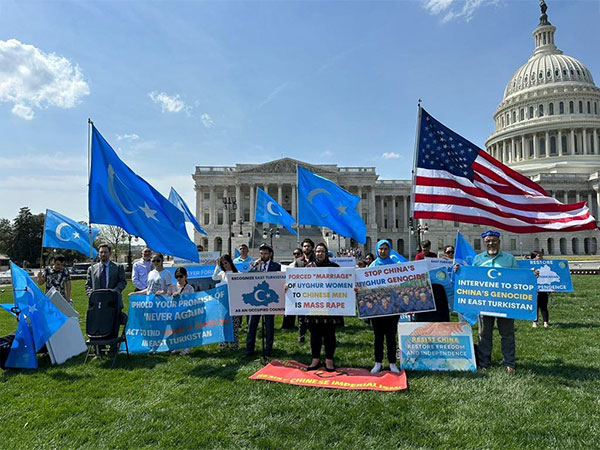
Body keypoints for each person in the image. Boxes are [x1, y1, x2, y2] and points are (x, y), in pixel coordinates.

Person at [459, 230, 519, 372]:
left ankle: (509, 362)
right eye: (488, 241)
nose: (491, 243)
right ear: (484, 243)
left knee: (507, 334)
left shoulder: (509, 259)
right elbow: (471, 278)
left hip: (505, 303)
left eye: (493, 241)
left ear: (499, 242)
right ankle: (484, 362)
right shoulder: (478, 260)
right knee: (484, 334)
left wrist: (532, 275)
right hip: (485, 303)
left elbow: (518, 278)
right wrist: (460, 271)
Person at [304, 243, 342, 372]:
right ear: (314, 253)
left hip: (330, 307)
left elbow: (343, 285)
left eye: (322, 251)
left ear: (326, 253)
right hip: (313, 306)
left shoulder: (334, 267)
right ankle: (315, 359)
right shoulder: (308, 267)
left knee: (329, 334)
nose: (319, 254)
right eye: (318, 251)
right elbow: (300, 284)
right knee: (314, 334)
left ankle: (329, 361)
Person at [367, 239, 401, 374]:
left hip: (392, 307)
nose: (383, 251)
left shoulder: (395, 266)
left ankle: (392, 362)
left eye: (386, 249)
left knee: (391, 335)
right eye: (380, 249)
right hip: (377, 307)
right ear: (377, 250)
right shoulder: (372, 266)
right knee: (378, 336)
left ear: (389, 250)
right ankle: (378, 362)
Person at [246, 243, 281, 357]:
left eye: (265, 253)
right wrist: (254, 267)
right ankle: (249, 350)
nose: (263, 256)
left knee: (269, 326)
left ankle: (268, 350)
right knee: (252, 325)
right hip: (255, 300)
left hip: (268, 300)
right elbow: (247, 278)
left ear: (270, 254)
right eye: (261, 253)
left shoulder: (276, 266)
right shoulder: (255, 265)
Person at [213, 254, 242, 349]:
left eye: (226, 263)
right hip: (223, 303)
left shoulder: (237, 274)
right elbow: (214, 277)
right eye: (223, 264)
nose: (225, 265)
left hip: (234, 303)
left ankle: (234, 344)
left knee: (234, 324)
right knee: (223, 323)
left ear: (230, 262)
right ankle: (223, 343)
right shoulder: (222, 274)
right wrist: (217, 266)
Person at [289, 238, 316, 342]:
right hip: (301, 293)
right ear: (302, 248)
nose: (306, 248)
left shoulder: (316, 260)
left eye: (308, 246)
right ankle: (301, 336)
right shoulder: (298, 262)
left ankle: (315, 336)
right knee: (301, 316)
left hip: (314, 293)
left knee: (314, 316)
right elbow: (293, 276)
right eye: (305, 246)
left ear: (312, 248)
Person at [167, 267, 195, 356]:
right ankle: (176, 347)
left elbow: (192, 300)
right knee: (174, 330)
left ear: (185, 276)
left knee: (185, 331)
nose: (178, 279)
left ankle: (186, 348)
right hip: (174, 313)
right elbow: (166, 301)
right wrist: (172, 297)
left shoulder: (190, 288)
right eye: (177, 277)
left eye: (181, 276)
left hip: (185, 313)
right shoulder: (172, 287)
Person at [531, 250, 550, 328]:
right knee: (535, 306)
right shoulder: (530, 267)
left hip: (543, 288)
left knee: (544, 306)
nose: (541, 257)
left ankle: (546, 322)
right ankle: (535, 322)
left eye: (541, 256)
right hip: (533, 289)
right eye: (539, 256)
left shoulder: (546, 265)